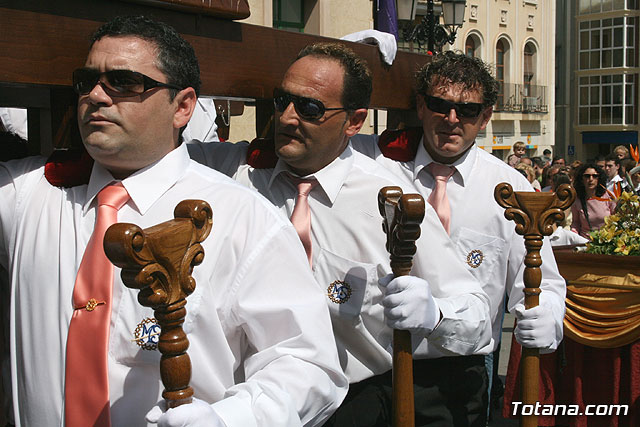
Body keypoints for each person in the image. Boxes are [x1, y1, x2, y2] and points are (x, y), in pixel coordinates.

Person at [0, 16, 349, 427]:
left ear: (182, 107)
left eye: (125, 82)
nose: (95, 95)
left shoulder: (243, 218)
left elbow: (308, 364)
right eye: (87, 80)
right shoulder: (25, 195)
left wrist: (230, 420)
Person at [189, 43, 492, 426]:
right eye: (282, 101)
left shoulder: (390, 200)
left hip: (357, 402)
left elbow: (476, 311)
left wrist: (436, 313)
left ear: (354, 121)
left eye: (310, 108)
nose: (286, 117)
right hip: (254, 401)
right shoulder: (239, 172)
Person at [350, 50, 566, 420]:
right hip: (370, 367)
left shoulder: (511, 188)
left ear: (485, 117)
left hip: (456, 371)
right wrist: (357, 57)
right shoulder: (376, 163)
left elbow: (542, 280)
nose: (452, 119)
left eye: (466, 111)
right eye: (440, 105)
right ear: (420, 106)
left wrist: (548, 313)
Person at [571, 163, 616, 239]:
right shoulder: (577, 199)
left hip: (607, 240)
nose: (591, 179)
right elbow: (576, 222)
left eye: (595, 176)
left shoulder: (608, 196)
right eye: (587, 176)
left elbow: (616, 218)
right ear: (581, 179)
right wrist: (574, 234)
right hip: (585, 242)